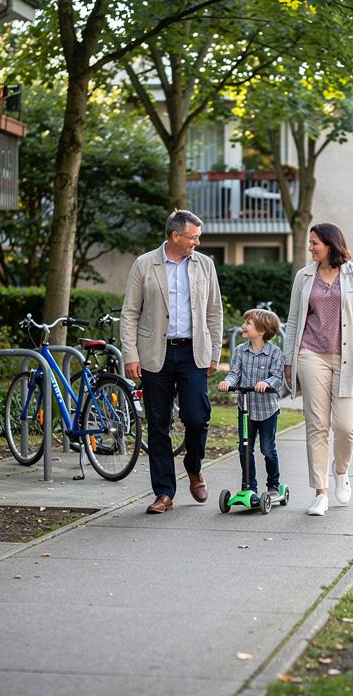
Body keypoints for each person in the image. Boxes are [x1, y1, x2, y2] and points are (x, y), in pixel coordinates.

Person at [121, 210, 223, 514]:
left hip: (193, 353)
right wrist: (130, 355)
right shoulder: (144, 264)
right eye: (193, 237)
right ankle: (164, 492)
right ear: (175, 236)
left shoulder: (205, 265)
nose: (198, 241)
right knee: (158, 425)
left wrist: (214, 352)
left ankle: (194, 467)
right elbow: (129, 313)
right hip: (155, 353)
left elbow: (214, 311)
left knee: (196, 417)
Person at [284, 223, 353, 516]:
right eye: (310, 243)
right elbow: (294, 320)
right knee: (317, 425)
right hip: (311, 355)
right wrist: (289, 360)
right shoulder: (304, 276)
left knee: (346, 427)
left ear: (330, 244)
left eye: (315, 243)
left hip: (347, 357)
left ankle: (341, 471)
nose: (310, 248)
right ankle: (320, 492)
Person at [218, 308, 284, 498]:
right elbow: (234, 373)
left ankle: (273, 485)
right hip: (246, 408)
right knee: (244, 448)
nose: (243, 326)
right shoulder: (240, 351)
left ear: (262, 330)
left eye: (248, 323)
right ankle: (249, 487)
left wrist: (266, 383)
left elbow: (277, 377)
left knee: (267, 449)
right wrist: (228, 382)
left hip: (267, 410)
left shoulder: (274, 353)